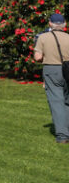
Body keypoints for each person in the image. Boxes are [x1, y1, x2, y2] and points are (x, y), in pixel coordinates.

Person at [34, 13, 69, 143]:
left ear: (50, 23)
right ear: (64, 24)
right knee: (67, 101)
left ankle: (62, 135)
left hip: (52, 70)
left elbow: (37, 57)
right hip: (68, 69)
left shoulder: (43, 37)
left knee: (56, 102)